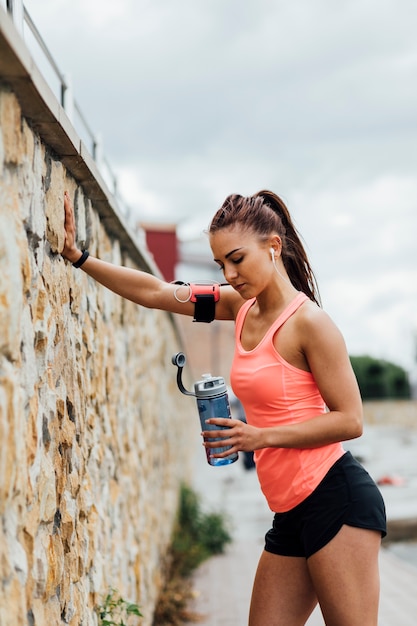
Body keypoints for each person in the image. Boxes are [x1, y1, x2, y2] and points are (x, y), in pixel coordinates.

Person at [62, 189, 386, 626]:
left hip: (337, 500)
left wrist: (258, 437)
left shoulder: (310, 324)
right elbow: (159, 292)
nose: (230, 274)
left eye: (237, 259)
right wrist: (79, 257)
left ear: (274, 247)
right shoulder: (239, 308)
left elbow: (351, 420)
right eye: (220, 264)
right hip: (289, 511)